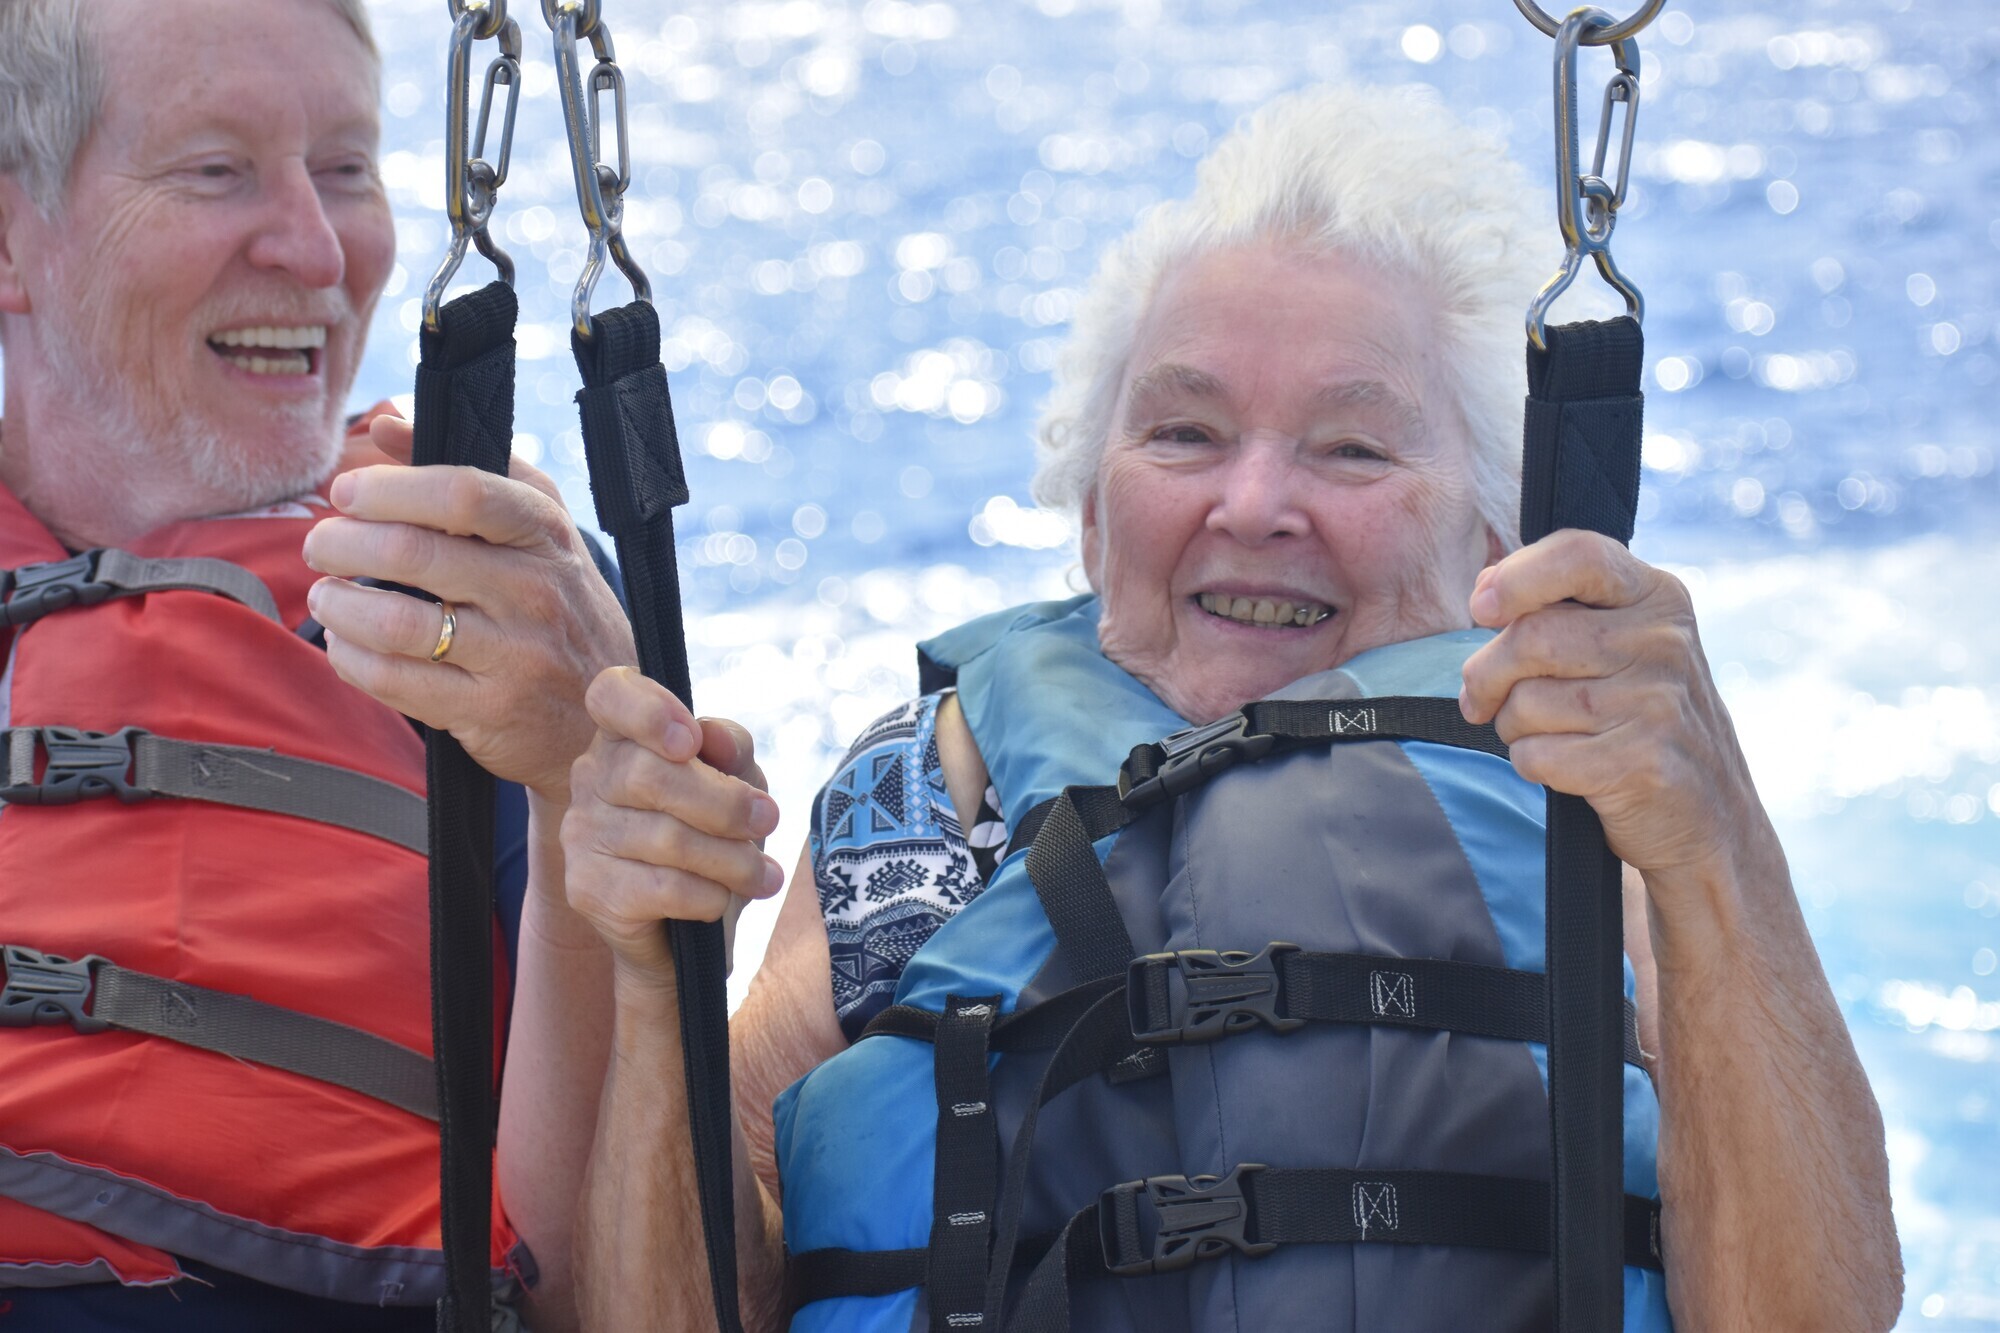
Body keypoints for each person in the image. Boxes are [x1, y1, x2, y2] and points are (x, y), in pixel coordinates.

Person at [562, 86, 1904, 1330]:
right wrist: (650, 970)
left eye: (1353, 448)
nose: (1254, 504)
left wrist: (1713, 839)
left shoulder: (1596, 789)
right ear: (1092, 511)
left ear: (1501, 540)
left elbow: (1816, 1313)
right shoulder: (937, 794)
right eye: (1186, 434)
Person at [0, 1, 663, 1327]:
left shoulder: (499, 599)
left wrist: (589, 775)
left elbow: (605, 1283)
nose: (318, 248)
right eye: (216, 169)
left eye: (349, 168)